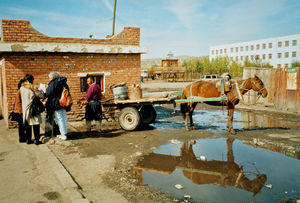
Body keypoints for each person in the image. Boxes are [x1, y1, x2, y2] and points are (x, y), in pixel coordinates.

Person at [45, 71, 69, 140]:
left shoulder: (53, 83)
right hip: (63, 102)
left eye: (49, 77)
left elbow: (48, 93)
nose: (49, 79)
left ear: (52, 77)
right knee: (63, 118)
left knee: (59, 118)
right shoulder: (63, 82)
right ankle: (65, 133)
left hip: (56, 103)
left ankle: (63, 135)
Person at [20, 74, 42, 145]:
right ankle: (37, 140)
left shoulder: (22, 87)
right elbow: (40, 96)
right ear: (31, 80)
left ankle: (28, 140)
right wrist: (40, 91)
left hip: (25, 108)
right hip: (33, 108)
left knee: (28, 124)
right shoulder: (32, 88)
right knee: (36, 124)